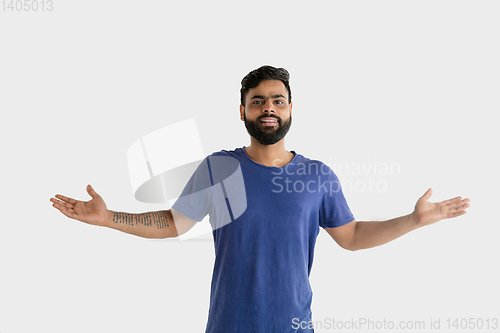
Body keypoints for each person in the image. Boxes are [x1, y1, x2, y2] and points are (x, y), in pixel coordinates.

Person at [50, 65, 470, 332]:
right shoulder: (220, 168)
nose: (268, 108)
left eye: (277, 100)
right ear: (242, 111)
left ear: (290, 109)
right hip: (228, 325)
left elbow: (353, 235)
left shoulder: (317, 175)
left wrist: (413, 221)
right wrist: (110, 219)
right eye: (257, 101)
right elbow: (174, 223)